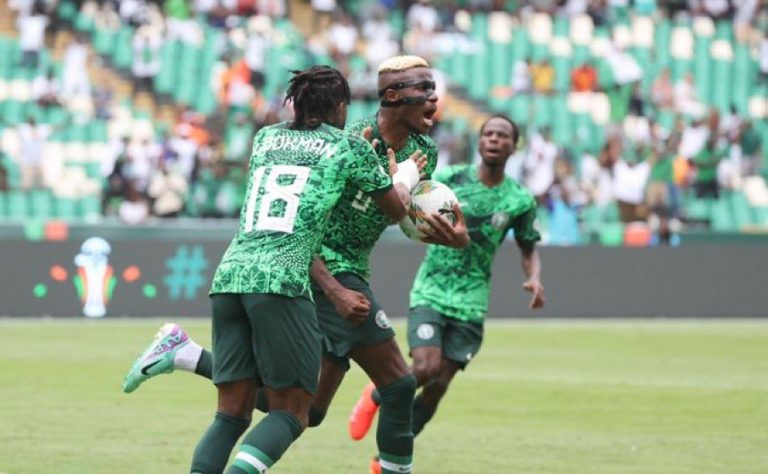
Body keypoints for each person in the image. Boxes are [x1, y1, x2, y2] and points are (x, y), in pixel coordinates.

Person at [122, 56, 467, 474]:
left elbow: (407, 212)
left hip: (283, 271)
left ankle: (188, 355)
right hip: (318, 273)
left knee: (302, 408)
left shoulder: (422, 151)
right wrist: (336, 289)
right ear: (393, 96)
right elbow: (333, 217)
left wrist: (449, 233)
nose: (435, 98)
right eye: (425, 89)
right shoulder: (351, 139)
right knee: (397, 384)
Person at [187, 65, 416, 474]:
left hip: (231, 275)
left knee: (231, 414)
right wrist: (405, 176)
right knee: (293, 412)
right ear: (342, 107)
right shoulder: (349, 146)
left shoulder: (266, 137)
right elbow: (397, 210)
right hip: (282, 278)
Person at [348, 115, 546, 474]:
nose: (494, 139)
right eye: (488, 133)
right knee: (425, 366)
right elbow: (401, 196)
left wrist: (534, 279)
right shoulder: (450, 177)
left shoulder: (519, 200)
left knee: (437, 387)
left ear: (513, 146)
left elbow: (529, 248)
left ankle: (384, 461)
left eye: (502, 135)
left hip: (472, 301)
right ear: (480, 141)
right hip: (432, 290)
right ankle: (375, 395)